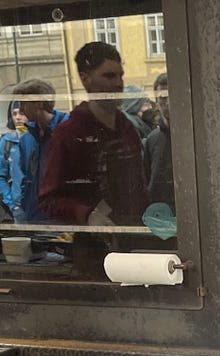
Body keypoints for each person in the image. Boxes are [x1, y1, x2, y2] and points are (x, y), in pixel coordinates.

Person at [38, 41, 149, 225]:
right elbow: (48, 199)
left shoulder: (127, 128)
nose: (118, 83)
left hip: (134, 233)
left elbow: (139, 188)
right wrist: (86, 215)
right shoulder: (69, 134)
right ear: (85, 79)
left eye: (120, 75)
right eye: (109, 76)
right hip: (94, 239)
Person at [12, 79, 68, 222]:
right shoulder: (26, 139)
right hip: (34, 216)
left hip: (63, 217)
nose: (21, 109)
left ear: (39, 103)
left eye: (23, 103)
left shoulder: (68, 130)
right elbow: (26, 176)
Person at [144, 73, 174, 208]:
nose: (167, 103)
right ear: (156, 100)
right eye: (163, 97)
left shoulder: (193, 137)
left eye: (171, 96)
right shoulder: (152, 139)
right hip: (159, 213)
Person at [0, 102, 27, 221]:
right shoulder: (7, 141)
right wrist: (13, 205)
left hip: (44, 207)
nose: (17, 117)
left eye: (21, 113)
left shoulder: (41, 139)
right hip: (19, 207)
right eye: (14, 114)